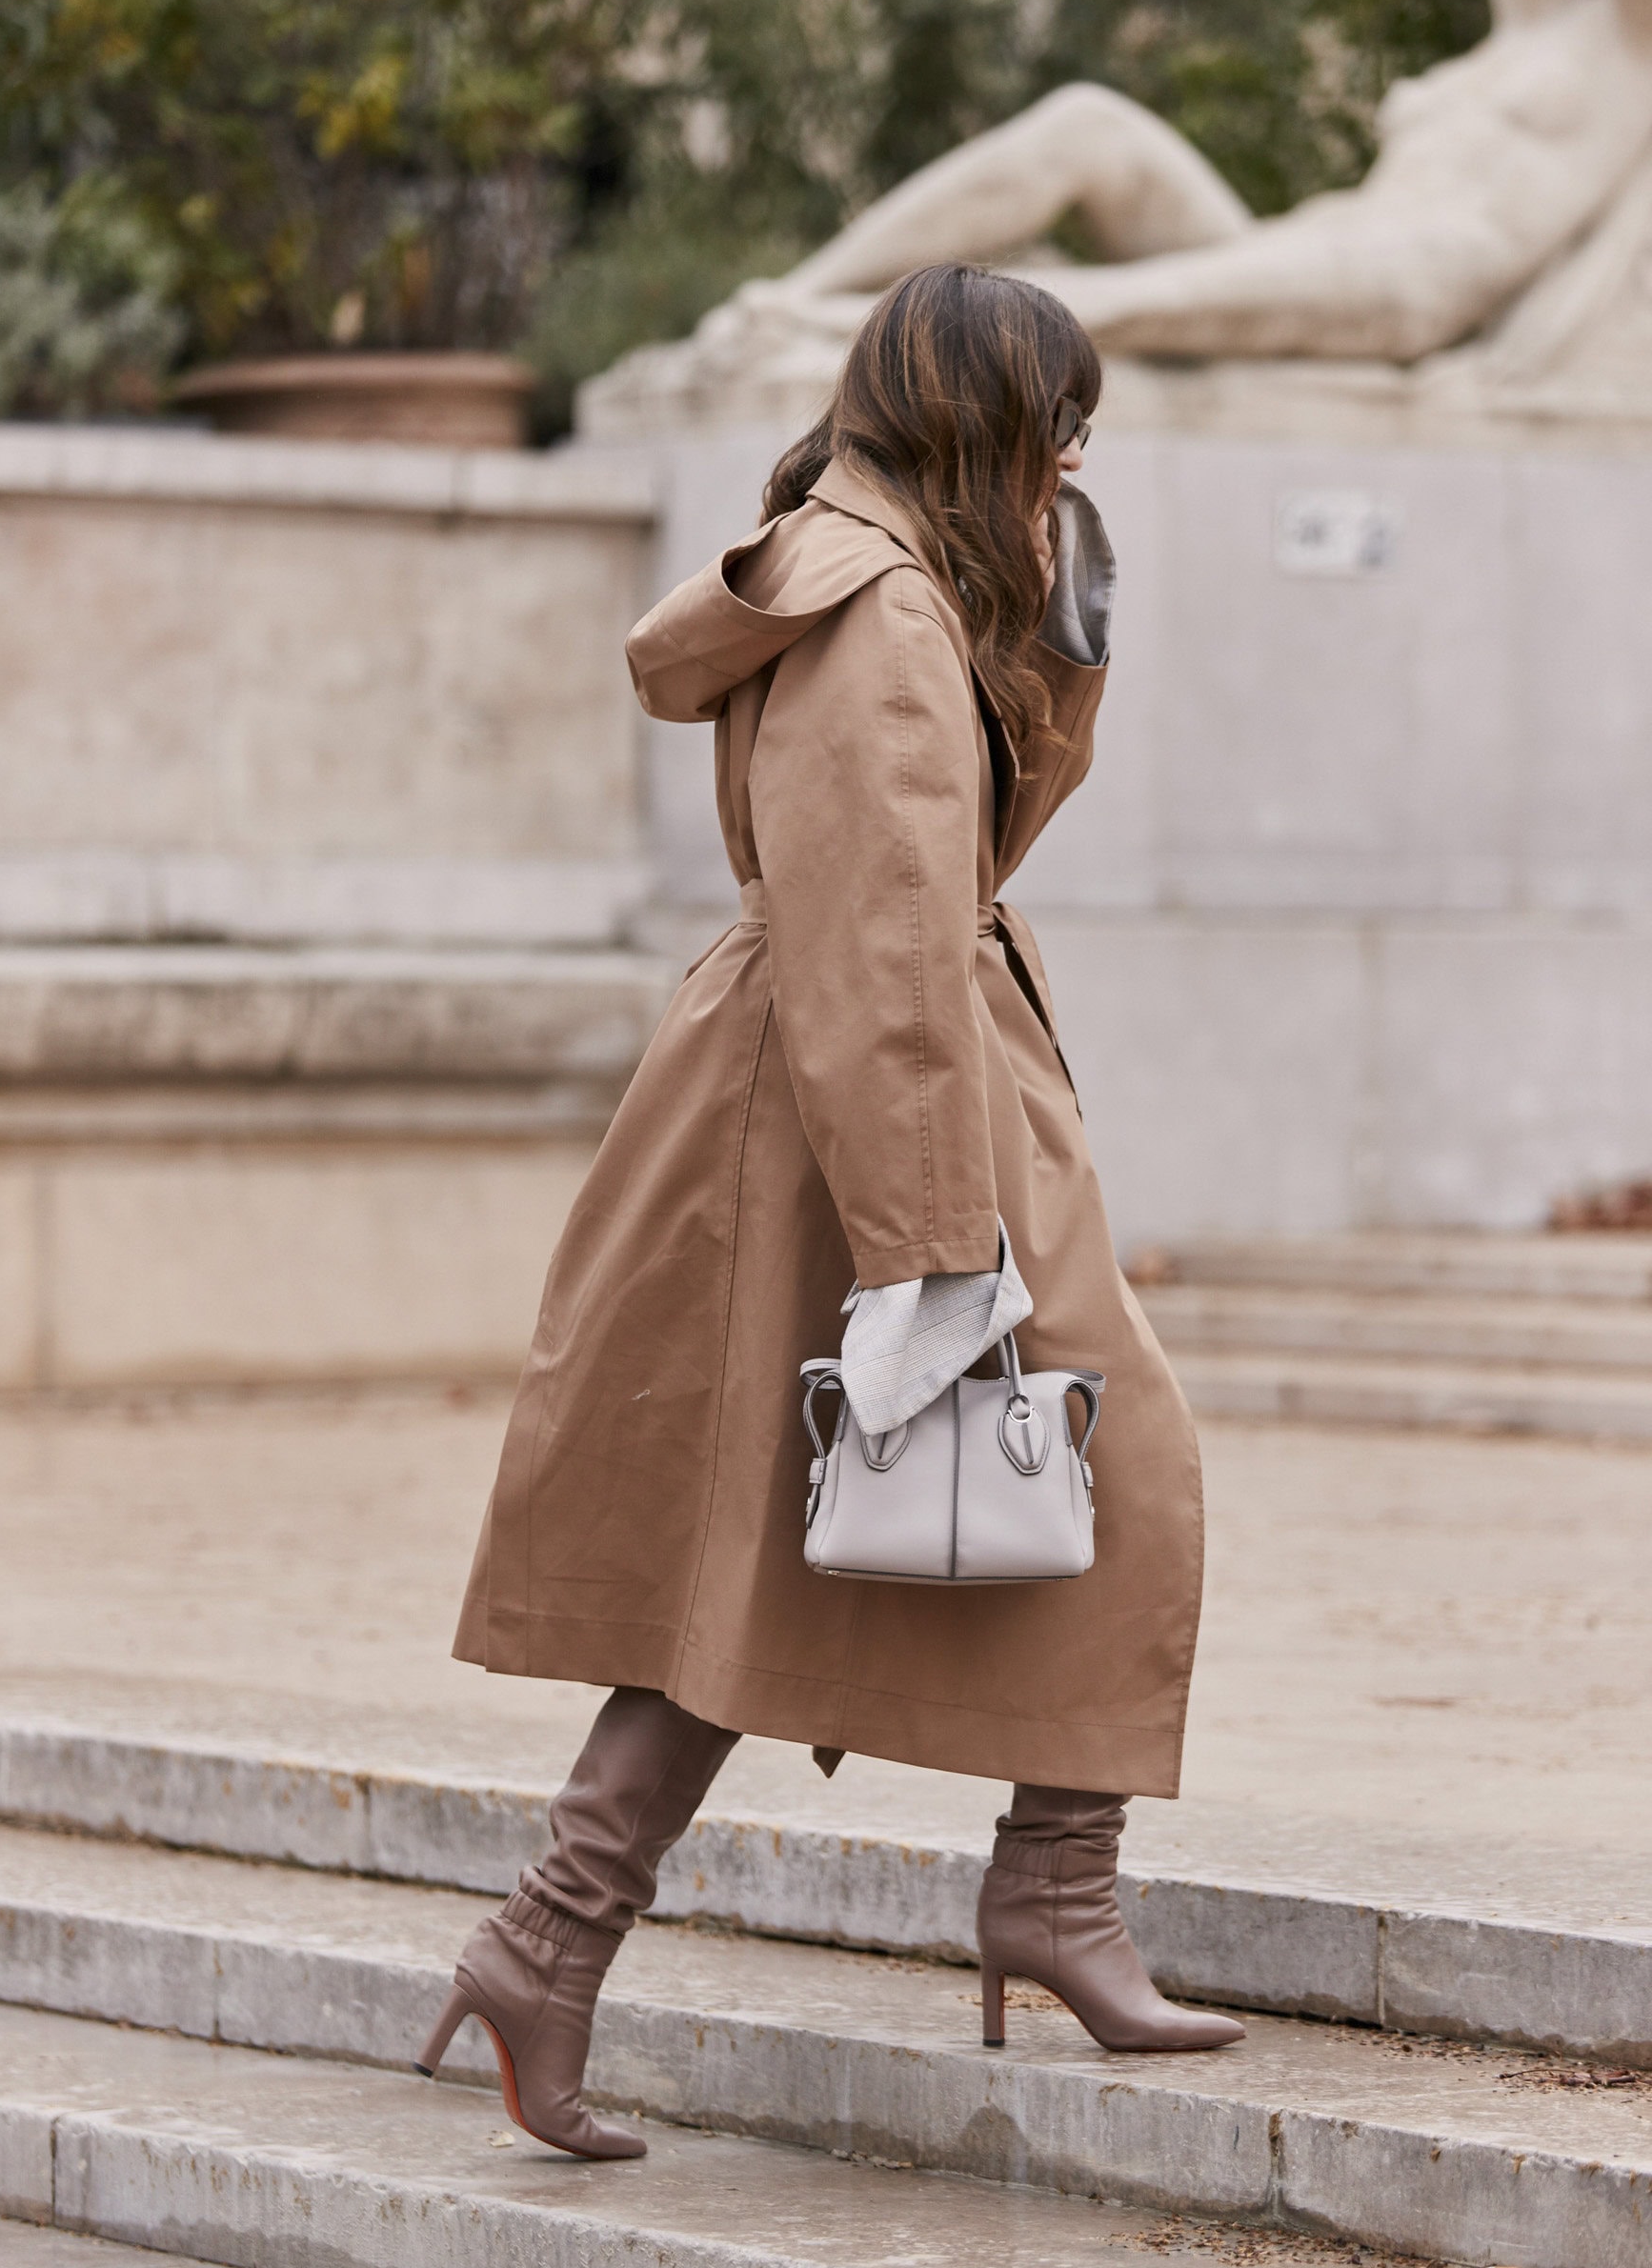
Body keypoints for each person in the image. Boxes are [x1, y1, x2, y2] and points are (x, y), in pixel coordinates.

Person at [417, 264, 1243, 2161]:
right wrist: (938, 1264)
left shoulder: (880, 577)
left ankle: (563, 1946)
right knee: (1122, 1464)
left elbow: (935, 881)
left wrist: (1069, 633)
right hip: (865, 1116)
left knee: (755, 1552)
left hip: (829, 1106)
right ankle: (1044, 1894)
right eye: (1060, 427)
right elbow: (882, 955)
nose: (1078, 459)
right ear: (983, 421)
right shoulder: (879, 616)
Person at [714, 0, 1652, 369]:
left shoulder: (1622, 34)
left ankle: (857, 334)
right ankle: (798, 292)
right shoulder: (1446, 85)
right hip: (1319, 245)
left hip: (1415, 289)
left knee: (1136, 302)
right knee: (1088, 123)